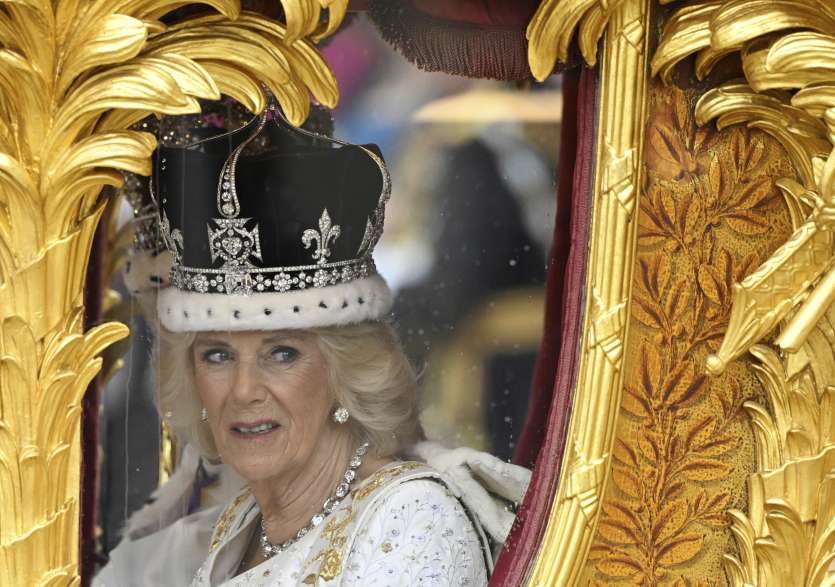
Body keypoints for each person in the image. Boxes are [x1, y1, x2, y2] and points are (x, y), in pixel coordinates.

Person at [96, 102, 529, 586]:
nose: (243, 391)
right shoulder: (238, 525)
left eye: (282, 354)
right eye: (217, 355)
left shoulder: (413, 518)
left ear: (349, 372)